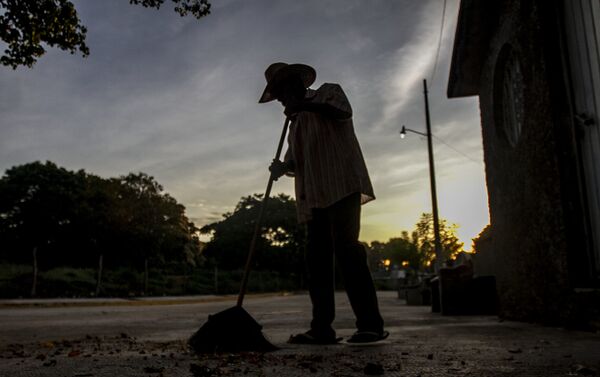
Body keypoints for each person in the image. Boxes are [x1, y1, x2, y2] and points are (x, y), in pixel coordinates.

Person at [259, 62, 388, 344]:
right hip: (314, 197)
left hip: (342, 185)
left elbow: (343, 112)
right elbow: (296, 161)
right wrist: (282, 167)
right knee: (316, 262)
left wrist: (305, 107)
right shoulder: (296, 125)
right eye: (278, 96)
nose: (281, 100)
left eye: (282, 93)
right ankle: (322, 328)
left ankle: (370, 325)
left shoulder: (328, 94)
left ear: (296, 85)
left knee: (348, 252)